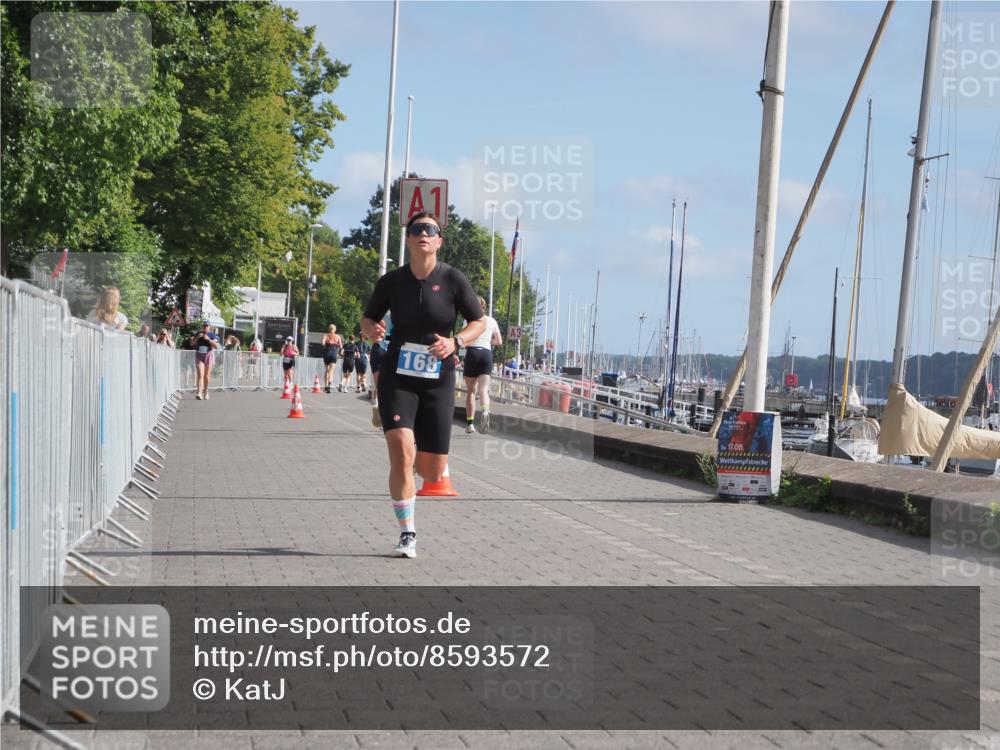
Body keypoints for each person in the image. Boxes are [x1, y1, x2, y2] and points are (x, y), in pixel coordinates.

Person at [361, 211, 485, 558]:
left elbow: (479, 321)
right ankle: (407, 533)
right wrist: (370, 329)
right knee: (401, 452)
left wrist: (456, 342)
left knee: (430, 470)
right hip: (398, 375)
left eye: (430, 230)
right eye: (417, 230)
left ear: (439, 241)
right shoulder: (392, 282)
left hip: (437, 378)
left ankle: (422, 459)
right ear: (409, 239)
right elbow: (368, 318)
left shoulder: (453, 279)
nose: (423, 235)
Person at [462, 296, 502, 434]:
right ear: (484, 307)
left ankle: (470, 424)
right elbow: (499, 341)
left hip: (472, 353)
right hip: (486, 354)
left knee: (471, 391)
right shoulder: (492, 321)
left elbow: (464, 340)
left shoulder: (468, 320)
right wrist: (486, 340)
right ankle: (485, 411)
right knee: (483, 389)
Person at [190, 322, 221, 400]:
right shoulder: (198, 333)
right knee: (200, 374)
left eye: (207, 326)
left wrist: (208, 339)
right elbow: (191, 343)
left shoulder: (212, 335)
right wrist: (197, 338)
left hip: (208, 355)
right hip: (199, 355)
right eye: (204, 326)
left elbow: (216, 346)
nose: (205, 327)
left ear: (209, 327)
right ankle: (199, 392)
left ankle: (206, 391)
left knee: (206, 376)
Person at [321, 324, 342, 394]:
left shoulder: (326, 335)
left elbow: (323, 343)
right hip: (333, 352)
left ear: (329, 329)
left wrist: (327, 343)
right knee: (331, 370)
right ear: (335, 329)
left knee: (326, 370)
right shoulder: (338, 336)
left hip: (327, 352)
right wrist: (338, 349)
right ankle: (329, 383)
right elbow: (341, 346)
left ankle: (326, 385)